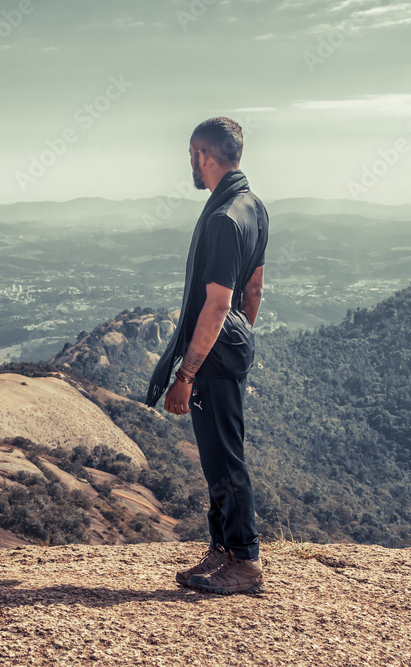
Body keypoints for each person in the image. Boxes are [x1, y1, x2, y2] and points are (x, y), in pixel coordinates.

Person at [144, 116, 269, 595]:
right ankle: (222, 551)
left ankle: (245, 560)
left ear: (205, 155)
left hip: (214, 353)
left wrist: (187, 373)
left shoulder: (221, 218)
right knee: (218, 455)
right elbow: (253, 291)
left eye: (191, 155)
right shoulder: (252, 205)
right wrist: (240, 341)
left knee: (224, 458)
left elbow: (218, 303)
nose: (190, 164)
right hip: (233, 345)